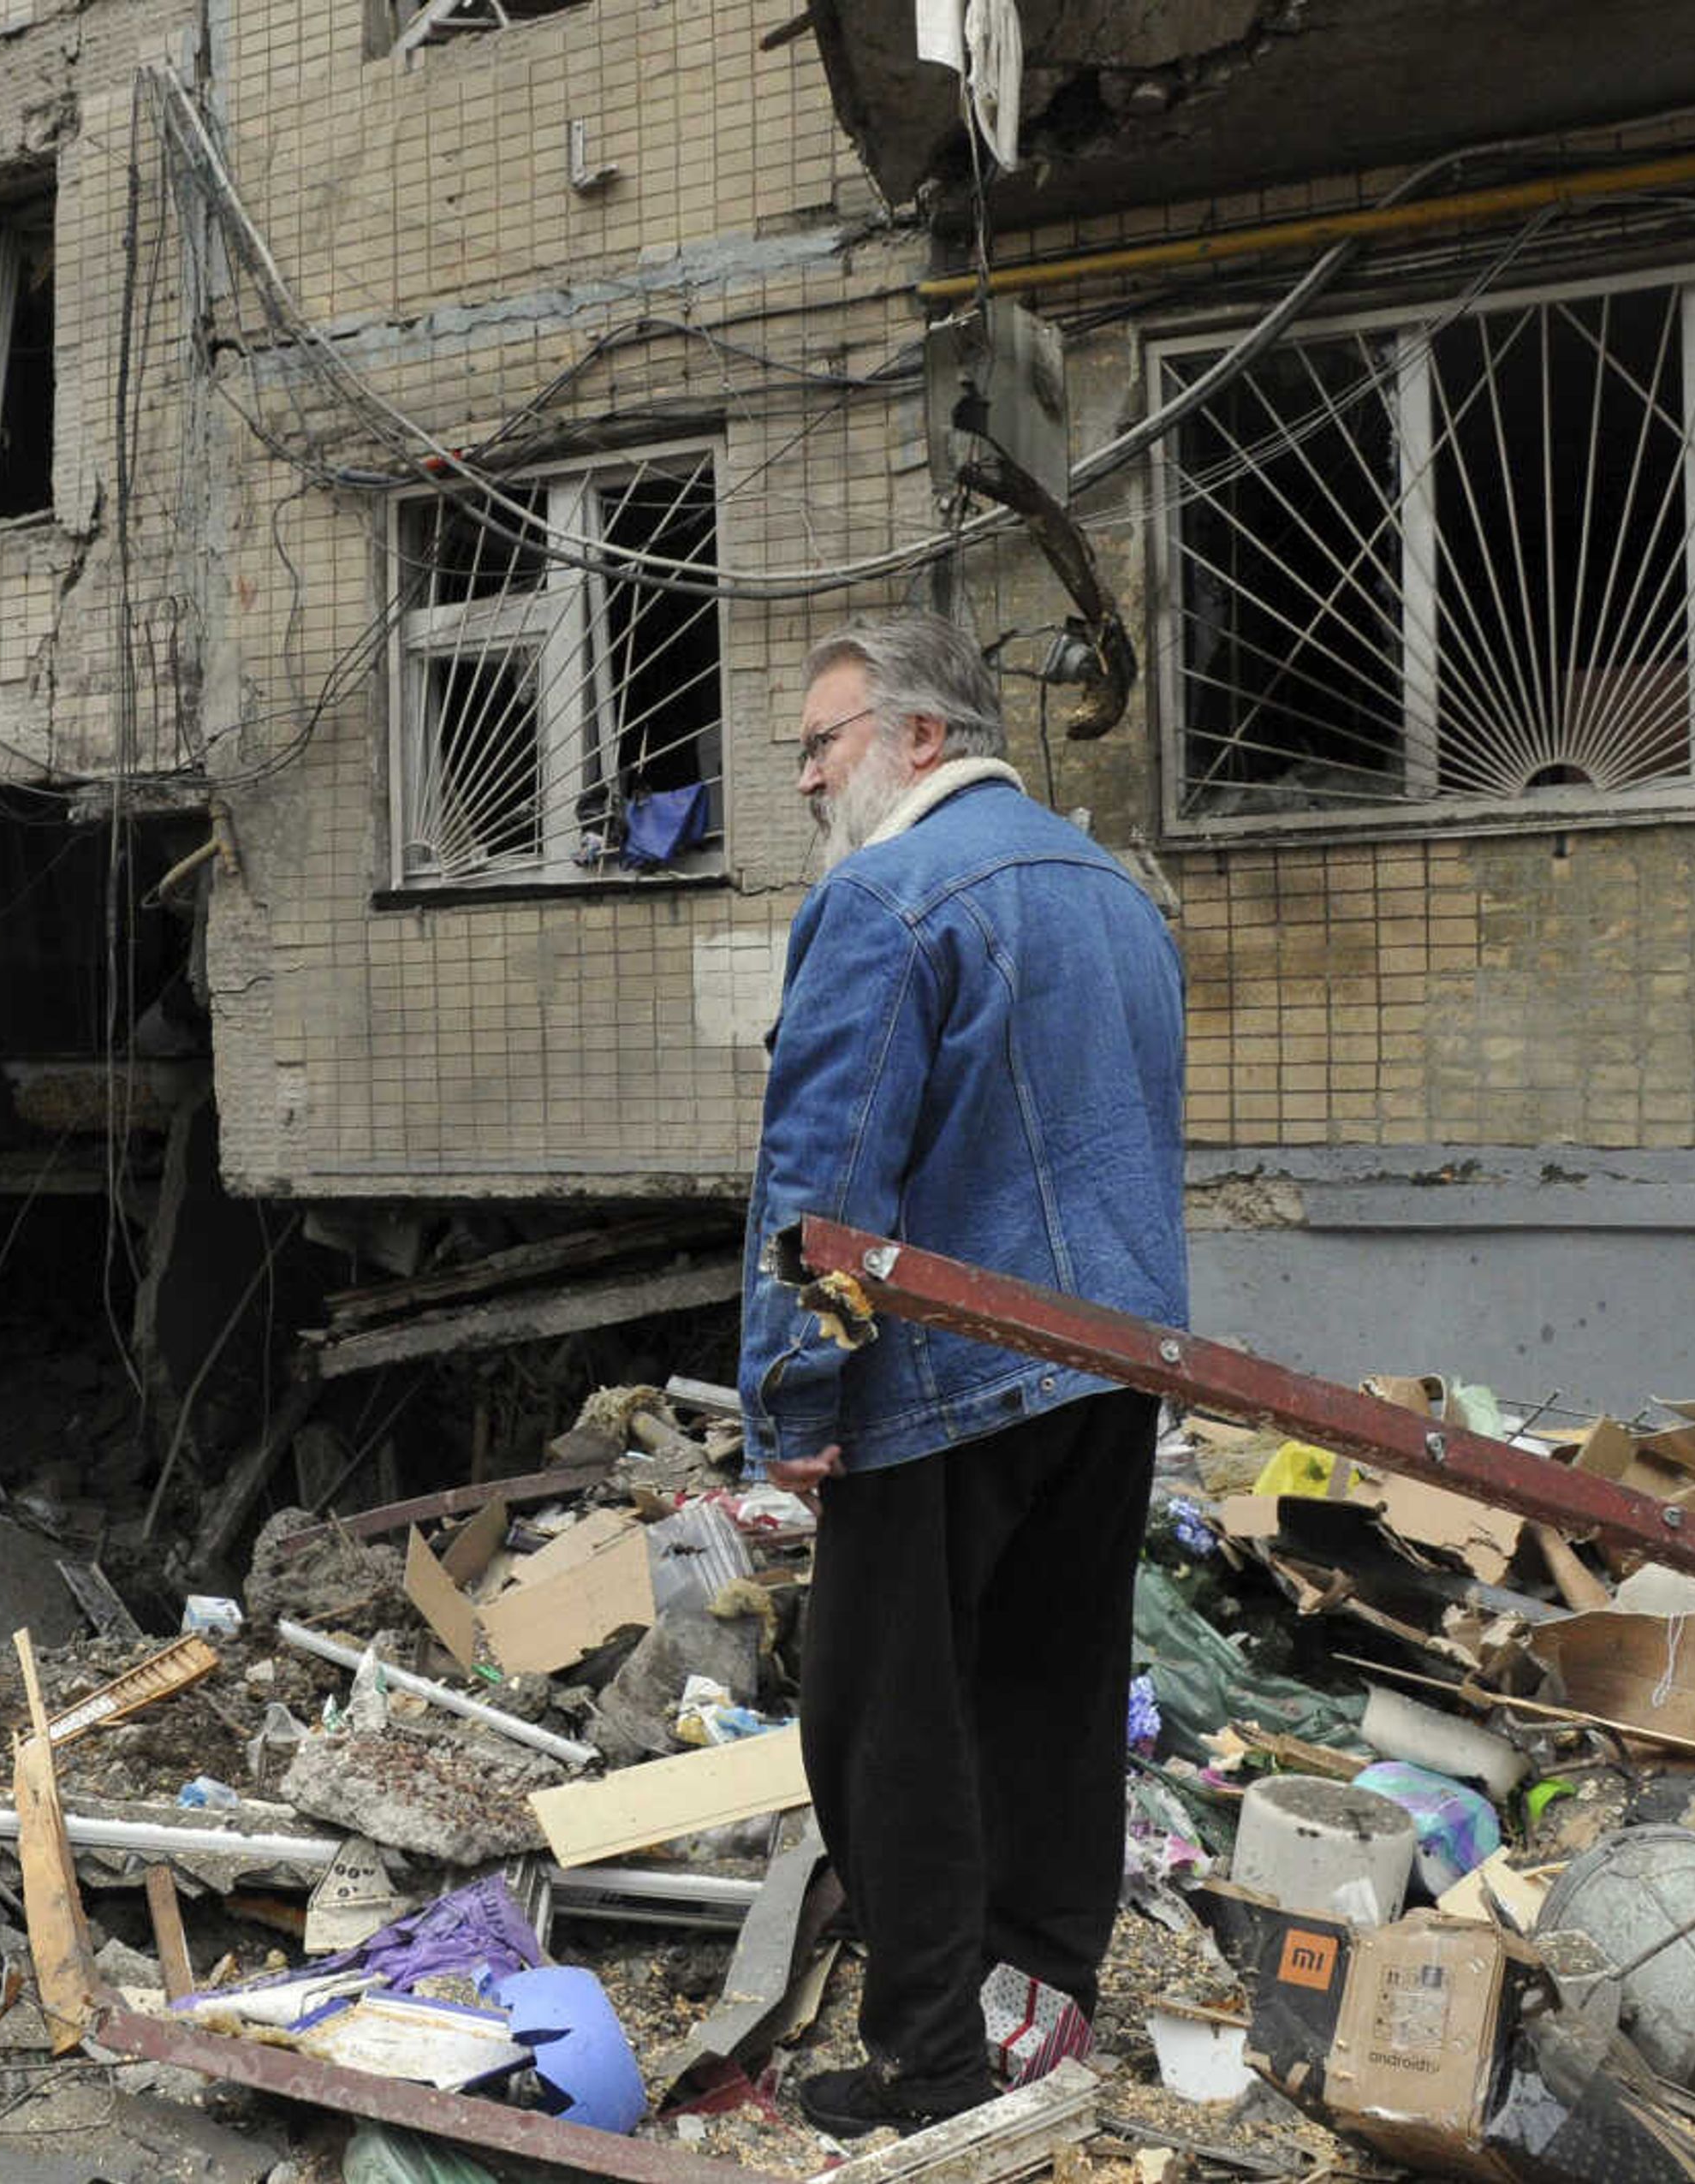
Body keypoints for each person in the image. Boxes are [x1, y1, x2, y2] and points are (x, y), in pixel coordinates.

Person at [736, 609, 1189, 2139]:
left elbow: (823, 1179)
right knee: (1053, 1698)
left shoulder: (884, 897)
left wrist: (794, 1399)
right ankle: (1043, 2001)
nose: (806, 779)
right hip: (1114, 1368)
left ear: (920, 738)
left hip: (940, 1382)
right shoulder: (1114, 893)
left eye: (823, 743)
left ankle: (930, 2066)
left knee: (884, 1724)